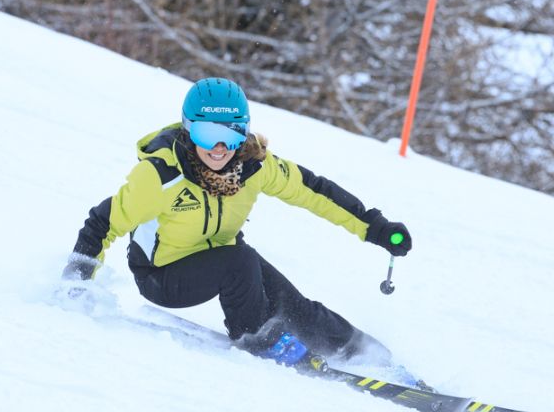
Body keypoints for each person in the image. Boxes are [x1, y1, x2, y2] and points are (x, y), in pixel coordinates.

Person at [61, 77, 413, 369]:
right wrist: (74, 288)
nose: (218, 148)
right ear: (187, 130)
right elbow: (101, 224)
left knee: (291, 302)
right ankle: (258, 339)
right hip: (162, 276)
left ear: (243, 134)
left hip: (223, 260)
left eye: (229, 135)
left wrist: (374, 226)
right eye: (204, 134)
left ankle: (362, 354)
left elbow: (314, 191)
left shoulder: (254, 166)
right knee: (240, 261)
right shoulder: (161, 174)